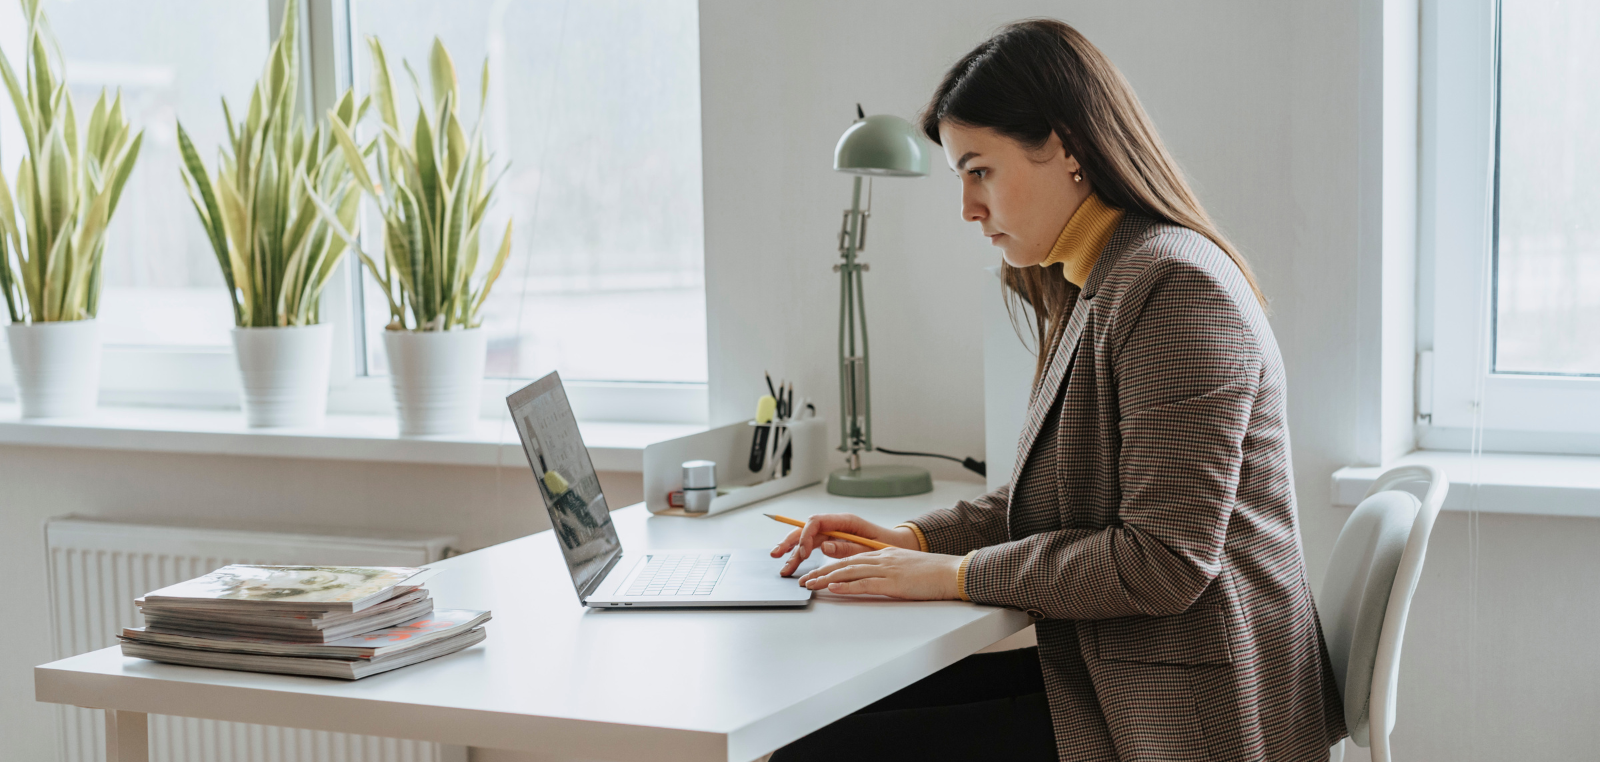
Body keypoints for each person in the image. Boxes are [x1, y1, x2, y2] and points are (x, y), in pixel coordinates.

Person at [768, 18, 1346, 762]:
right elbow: (1059, 498)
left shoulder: (1173, 288)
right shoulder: (1096, 280)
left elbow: (1163, 561)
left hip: (1195, 716)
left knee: (816, 750)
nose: (968, 210)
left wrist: (955, 575)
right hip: (1128, 675)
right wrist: (914, 541)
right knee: (817, 729)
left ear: (1067, 148)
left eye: (980, 171)